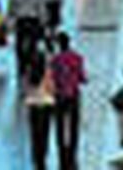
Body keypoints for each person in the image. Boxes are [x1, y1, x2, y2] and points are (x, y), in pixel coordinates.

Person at [49, 32, 87, 170]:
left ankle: (61, 149)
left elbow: (53, 78)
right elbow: (82, 77)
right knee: (74, 123)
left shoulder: (55, 60)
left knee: (59, 124)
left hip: (60, 96)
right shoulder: (77, 58)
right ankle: (72, 149)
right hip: (74, 95)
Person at [22, 58, 56, 169]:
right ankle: (43, 153)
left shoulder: (30, 72)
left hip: (33, 103)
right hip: (46, 103)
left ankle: (36, 155)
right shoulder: (48, 72)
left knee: (34, 131)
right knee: (45, 130)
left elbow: (25, 87)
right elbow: (52, 87)